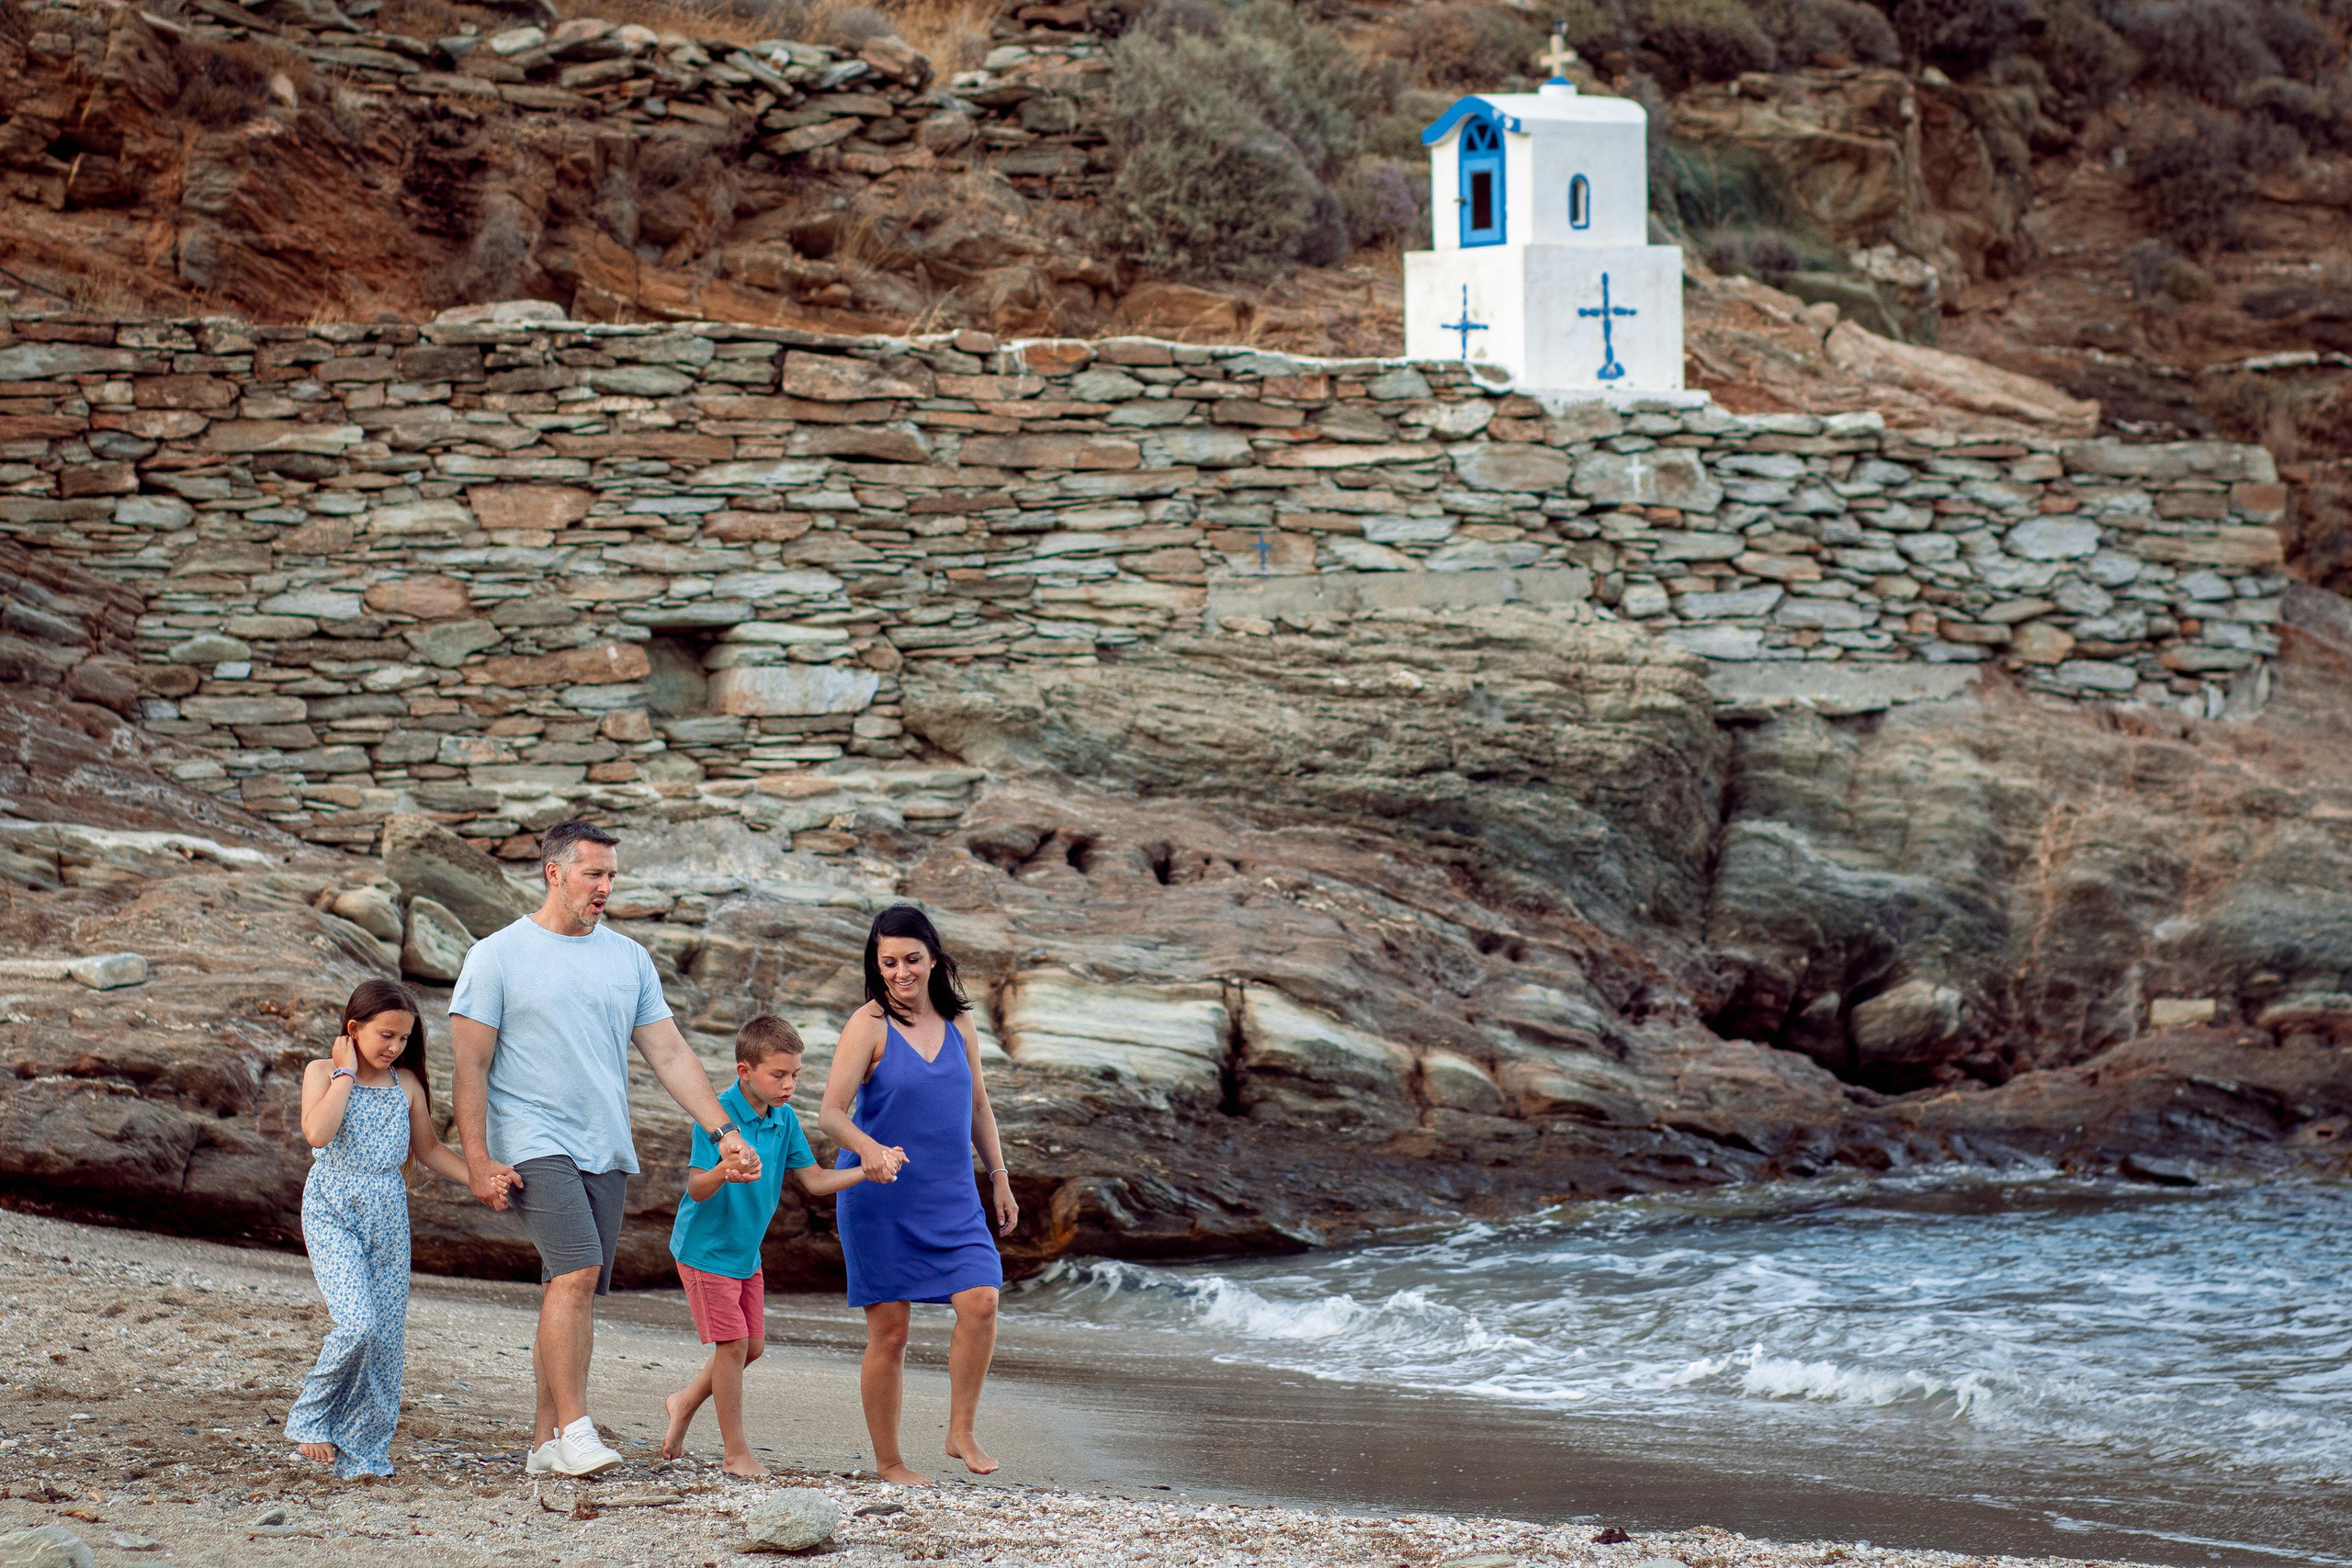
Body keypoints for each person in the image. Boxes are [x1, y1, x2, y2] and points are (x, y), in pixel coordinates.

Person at [449, 818, 762, 1479]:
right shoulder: (497, 955)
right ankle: (577, 1428)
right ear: (553, 873)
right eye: (594, 873)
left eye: (612, 875)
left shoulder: (628, 958)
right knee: (578, 1271)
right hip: (531, 1139)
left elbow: (671, 1053)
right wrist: (477, 1158)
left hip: (604, 1143)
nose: (605, 887)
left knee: (566, 1286)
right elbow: (469, 1065)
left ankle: (542, 1440)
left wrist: (724, 1132)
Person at [820, 904, 1019, 1484]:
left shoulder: (959, 1023)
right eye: (889, 962)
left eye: (912, 959)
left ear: (934, 958)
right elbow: (831, 1114)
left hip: (952, 1194)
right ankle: (889, 1463)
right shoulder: (870, 1024)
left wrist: (999, 1177)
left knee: (980, 1301)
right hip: (879, 1196)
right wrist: (872, 1149)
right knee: (891, 1334)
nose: (901, 972)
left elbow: (978, 1104)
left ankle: (960, 1430)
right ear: (875, 964)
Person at [661, 1015, 884, 1477]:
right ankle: (735, 1454)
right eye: (778, 1075)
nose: (789, 1085)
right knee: (733, 1345)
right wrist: (724, 1170)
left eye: (795, 1075)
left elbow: (817, 1182)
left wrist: (868, 1167)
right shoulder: (717, 1116)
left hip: (746, 1252)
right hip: (705, 1250)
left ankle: (683, 1402)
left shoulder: (783, 1120)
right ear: (745, 1071)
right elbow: (696, 1189)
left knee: (752, 1347)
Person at [286, 978, 478, 1479]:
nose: (395, 1048)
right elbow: (317, 1132)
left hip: (389, 1214)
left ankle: (363, 1451)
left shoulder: (407, 1086)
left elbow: (431, 1151)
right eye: (386, 1036)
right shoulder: (322, 1072)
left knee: (387, 1339)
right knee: (358, 1324)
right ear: (354, 1029)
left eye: (404, 1040)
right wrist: (346, 1073)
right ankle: (310, 1418)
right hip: (332, 1207)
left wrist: (482, 1177)